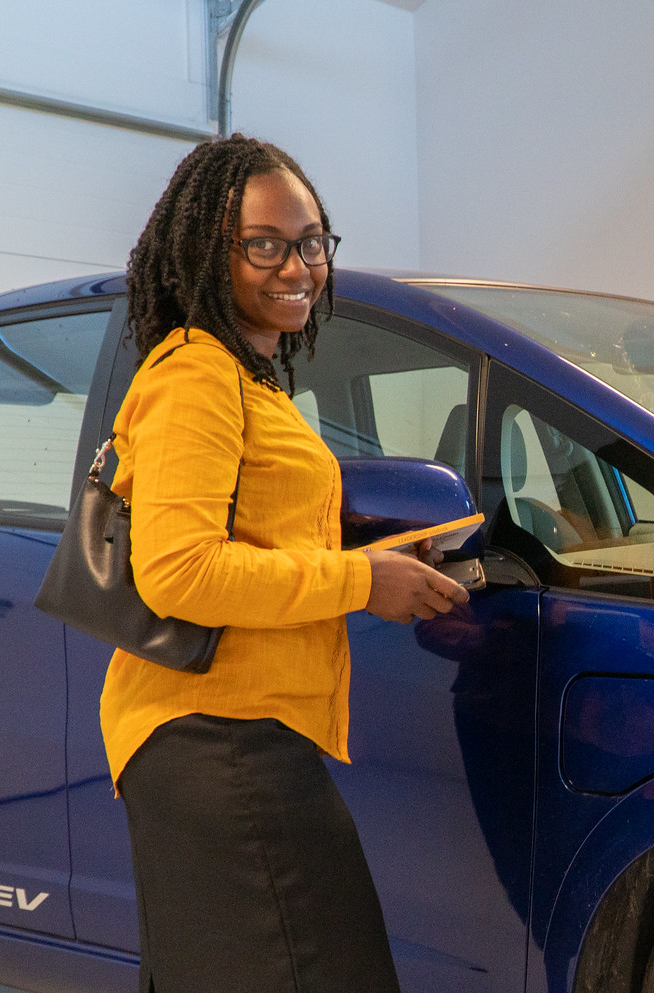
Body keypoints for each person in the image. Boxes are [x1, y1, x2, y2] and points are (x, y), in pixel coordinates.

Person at [102, 135, 467, 993]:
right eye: (265, 244)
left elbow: (256, 540)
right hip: (217, 742)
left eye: (312, 242)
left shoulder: (247, 378)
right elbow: (179, 571)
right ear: (206, 250)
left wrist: (375, 558)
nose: (297, 265)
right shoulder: (196, 375)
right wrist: (361, 582)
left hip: (237, 736)